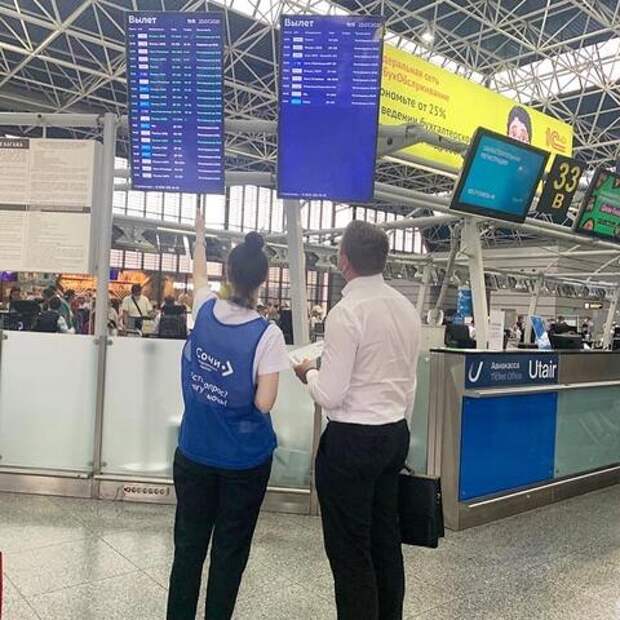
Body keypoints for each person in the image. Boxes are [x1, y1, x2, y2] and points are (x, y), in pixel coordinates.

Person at [294, 220, 421, 620]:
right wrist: (396, 425)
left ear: (343, 260)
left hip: (351, 443)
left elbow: (330, 394)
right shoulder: (406, 308)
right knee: (385, 540)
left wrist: (308, 373)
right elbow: (410, 382)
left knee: (350, 550)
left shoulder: (346, 313)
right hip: (394, 434)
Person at [167, 208, 290, 620]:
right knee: (229, 553)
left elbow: (199, 275)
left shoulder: (203, 307)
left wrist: (201, 236)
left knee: (188, 549)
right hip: (243, 462)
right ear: (263, 281)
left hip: (194, 452)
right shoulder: (268, 335)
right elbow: (264, 403)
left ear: (229, 274)